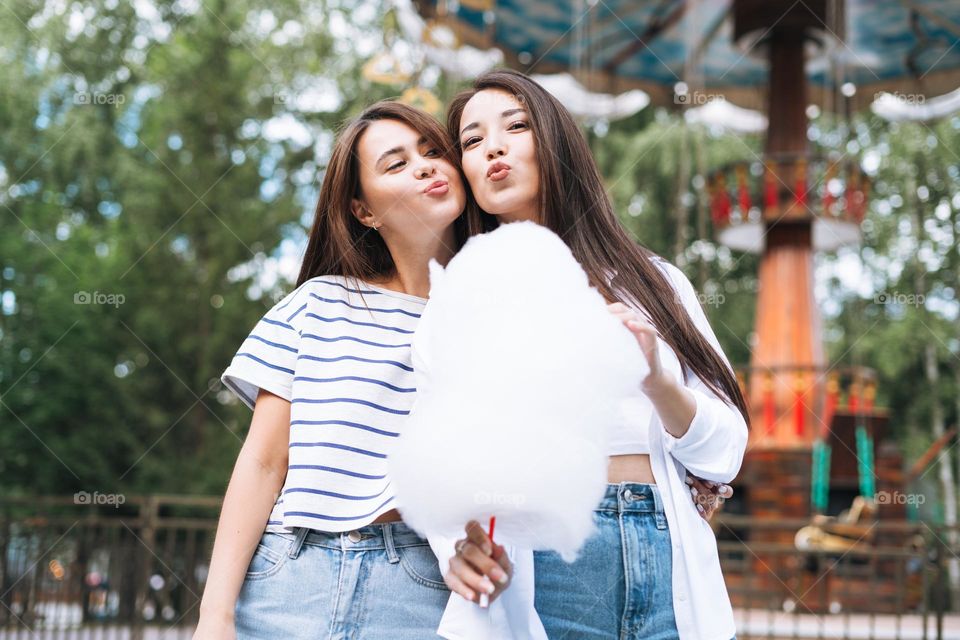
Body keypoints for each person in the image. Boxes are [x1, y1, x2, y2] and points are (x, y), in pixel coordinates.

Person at [440, 69, 747, 640]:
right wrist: (454, 546)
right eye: (472, 141)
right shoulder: (462, 297)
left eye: (515, 126)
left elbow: (726, 454)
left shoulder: (654, 282)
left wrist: (658, 380)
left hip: (666, 546)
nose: (493, 148)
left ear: (556, 143)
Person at [193, 100, 483, 639]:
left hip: (421, 584)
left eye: (433, 151)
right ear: (363, 211)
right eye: (395, 164)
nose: (424, 166)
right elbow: (261, 464)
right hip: (289, 576)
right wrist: (215, 615)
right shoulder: (316, 304)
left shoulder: (495, 317)